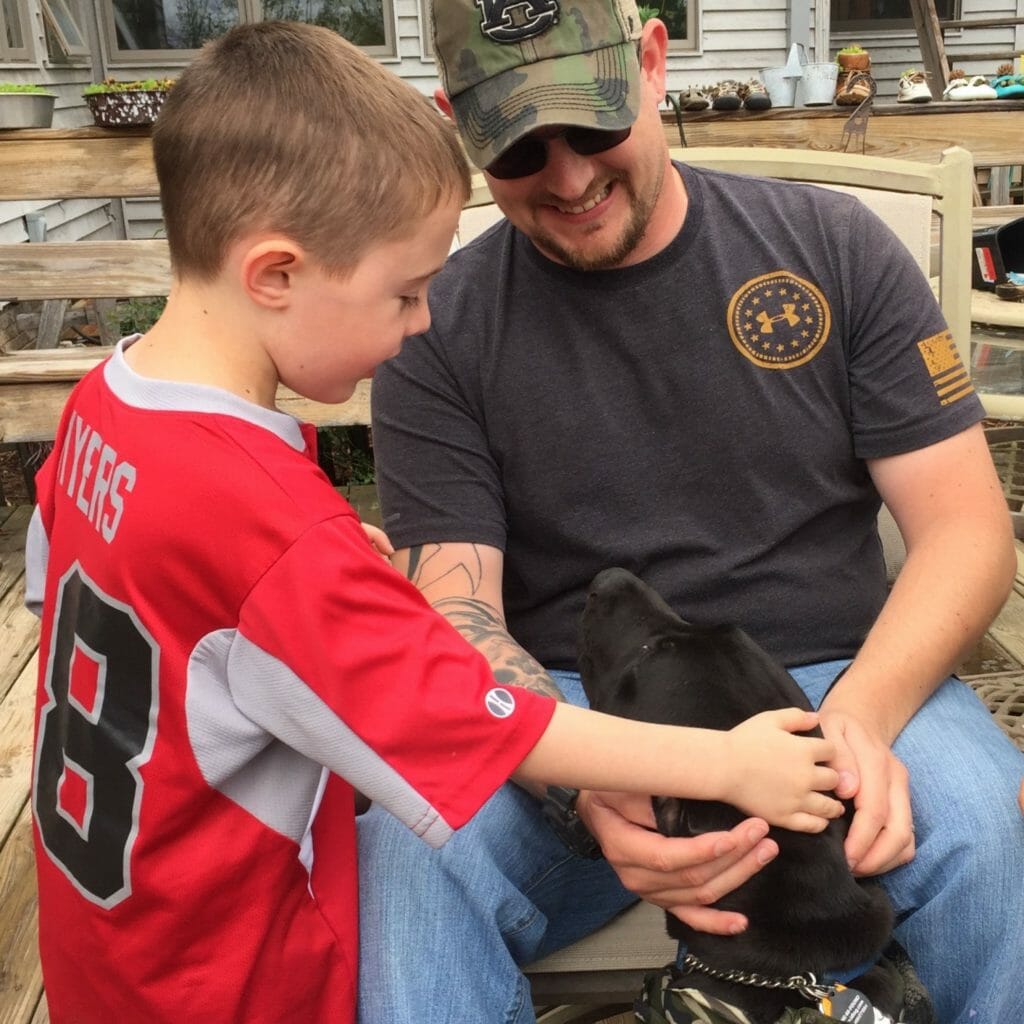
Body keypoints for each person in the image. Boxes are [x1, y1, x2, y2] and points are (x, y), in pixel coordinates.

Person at [24, 20, 848, 1024]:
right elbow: (484, 719)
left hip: (104, 951)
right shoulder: (270, 527)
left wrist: (308, 589)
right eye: (405, 292)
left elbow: (84, 582)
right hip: (233, 978)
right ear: (275, 273)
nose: (422, 322)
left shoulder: (101, 410)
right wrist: (725, 763)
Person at [366, 1, 1024, 1021]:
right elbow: (461, 619)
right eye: (520, 148)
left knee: (984, 826)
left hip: (837, 677)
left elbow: (968, 531)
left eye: (592, 125)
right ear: (460, 124)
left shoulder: (829, 249)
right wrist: (585, 785)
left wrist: (855, 720)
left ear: (653, 62)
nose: (570, 176)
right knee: (407, 869)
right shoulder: (436, 325)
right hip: (578, 702)